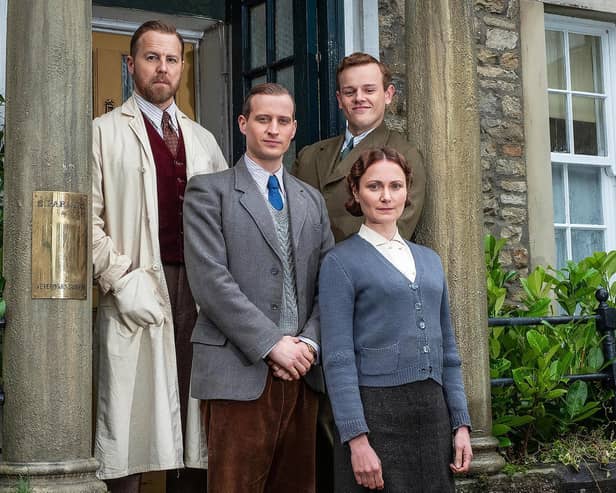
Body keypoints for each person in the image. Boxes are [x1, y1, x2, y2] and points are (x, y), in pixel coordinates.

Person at [92, 20, 227, 492]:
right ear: (131, 66)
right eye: (151, 57)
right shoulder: (102, 133)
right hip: (137, 286)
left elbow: (227, 223)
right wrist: (121, 279)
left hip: (197, 291)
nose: (162, 68)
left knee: (194, 426)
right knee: (131, 421)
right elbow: (86, 221)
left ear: (183, 67)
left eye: (171, 59)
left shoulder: (204, 140)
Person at [183, 82, 335, 493]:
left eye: (282, 121)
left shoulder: (311, 200)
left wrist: (308, 344)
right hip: (238, 370)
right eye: (263, 119)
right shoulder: (207, 191)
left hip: (303, 373)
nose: (272, 129)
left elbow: (330, 285)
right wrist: (272, 343)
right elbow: (210, 282)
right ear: (243, 123)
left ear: (293, 129)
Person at [319, 147, 472, 492]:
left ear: (407, 191)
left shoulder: (430, 260)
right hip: (376, 416)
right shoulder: (340, 263)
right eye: (374, 187)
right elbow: (338, 359)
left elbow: (448, 351)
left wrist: (460, 424)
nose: (386, 196)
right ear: (356, 192)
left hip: (433, 415)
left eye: (396, 186)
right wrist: (357, 440)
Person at [292, 52, 426, 243]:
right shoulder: (308, 156)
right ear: (339, 100)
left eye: (369, 90)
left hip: (359, 271)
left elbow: (394, 235)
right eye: (349, 92)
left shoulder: (405, 155)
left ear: (388, 95)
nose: (359, 98)